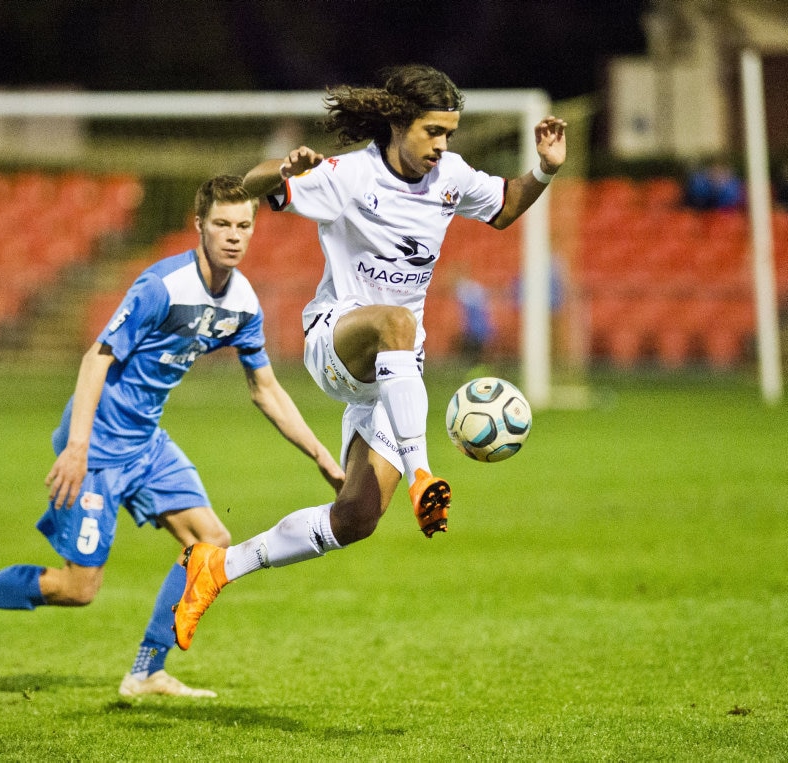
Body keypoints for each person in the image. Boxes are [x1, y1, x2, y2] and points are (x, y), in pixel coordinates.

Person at [0, 175, 345, 698]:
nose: (234, 235)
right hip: (99, 447)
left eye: (244, 225)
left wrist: (320, 457)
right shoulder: (161, 287)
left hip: (147, 443)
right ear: (199, 225)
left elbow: (265, 389)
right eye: (222, 223)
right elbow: (96, 358)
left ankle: (146, 670)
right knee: (78, 588)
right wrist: (78, 447)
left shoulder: (242, 302)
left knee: (210, 543)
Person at [172, 64, 566, 651]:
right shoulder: (348, 176)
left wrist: (544, 170)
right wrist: (281, 170)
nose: (443, 145)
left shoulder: (450, 177)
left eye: (450, 134)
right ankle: (423, 474)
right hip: (337, 343)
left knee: (353, 517)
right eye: (433, 131)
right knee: (397, 319)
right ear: (397, 123)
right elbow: (244, 188)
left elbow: (506, 205)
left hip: (395, 372)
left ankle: (218, 567)